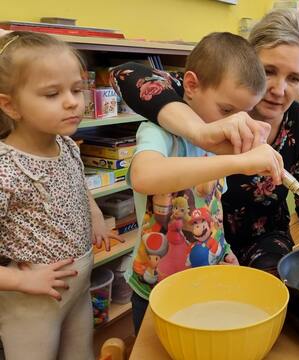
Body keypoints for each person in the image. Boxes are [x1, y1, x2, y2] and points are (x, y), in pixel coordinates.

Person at [112, 9, 299, 276]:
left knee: (270, 286)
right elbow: (125, 74)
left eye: (293, 78)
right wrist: (202, 133)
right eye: (269, 71)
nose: (279, 90)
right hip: (193, 246)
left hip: (256, 242)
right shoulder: (208, 98)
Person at [112, 32, 284, 334]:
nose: (235, 122)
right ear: (191, 85)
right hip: (157, 291)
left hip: (206, 280)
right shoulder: (159, 132)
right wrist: (238, 162)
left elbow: (212, 211)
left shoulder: (215, 141)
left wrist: (225, 252)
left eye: (244, 113)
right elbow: (144, 176)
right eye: (227, 110)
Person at [0, 31, 119, 360]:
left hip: (77, 286)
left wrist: (95, 215)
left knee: (80, 353)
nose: (72, 102)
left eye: (77, 89)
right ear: (10, 105)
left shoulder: (66, 145)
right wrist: (22, 282)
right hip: (31, 298)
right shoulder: (5, 168)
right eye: (52, 94)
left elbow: (79, 185)